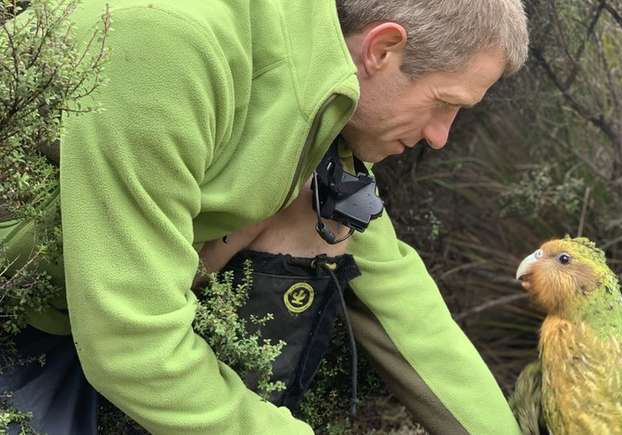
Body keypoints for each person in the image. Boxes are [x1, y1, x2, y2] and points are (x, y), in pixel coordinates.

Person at [0, 0, 529, 433]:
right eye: (444, 103)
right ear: (383, 48)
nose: (440, 137)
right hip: (24, 315)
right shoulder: (175, 43)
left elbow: (401, 299)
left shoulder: (320, 87)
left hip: (78, 314)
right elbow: (131, 343)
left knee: (318, 211)